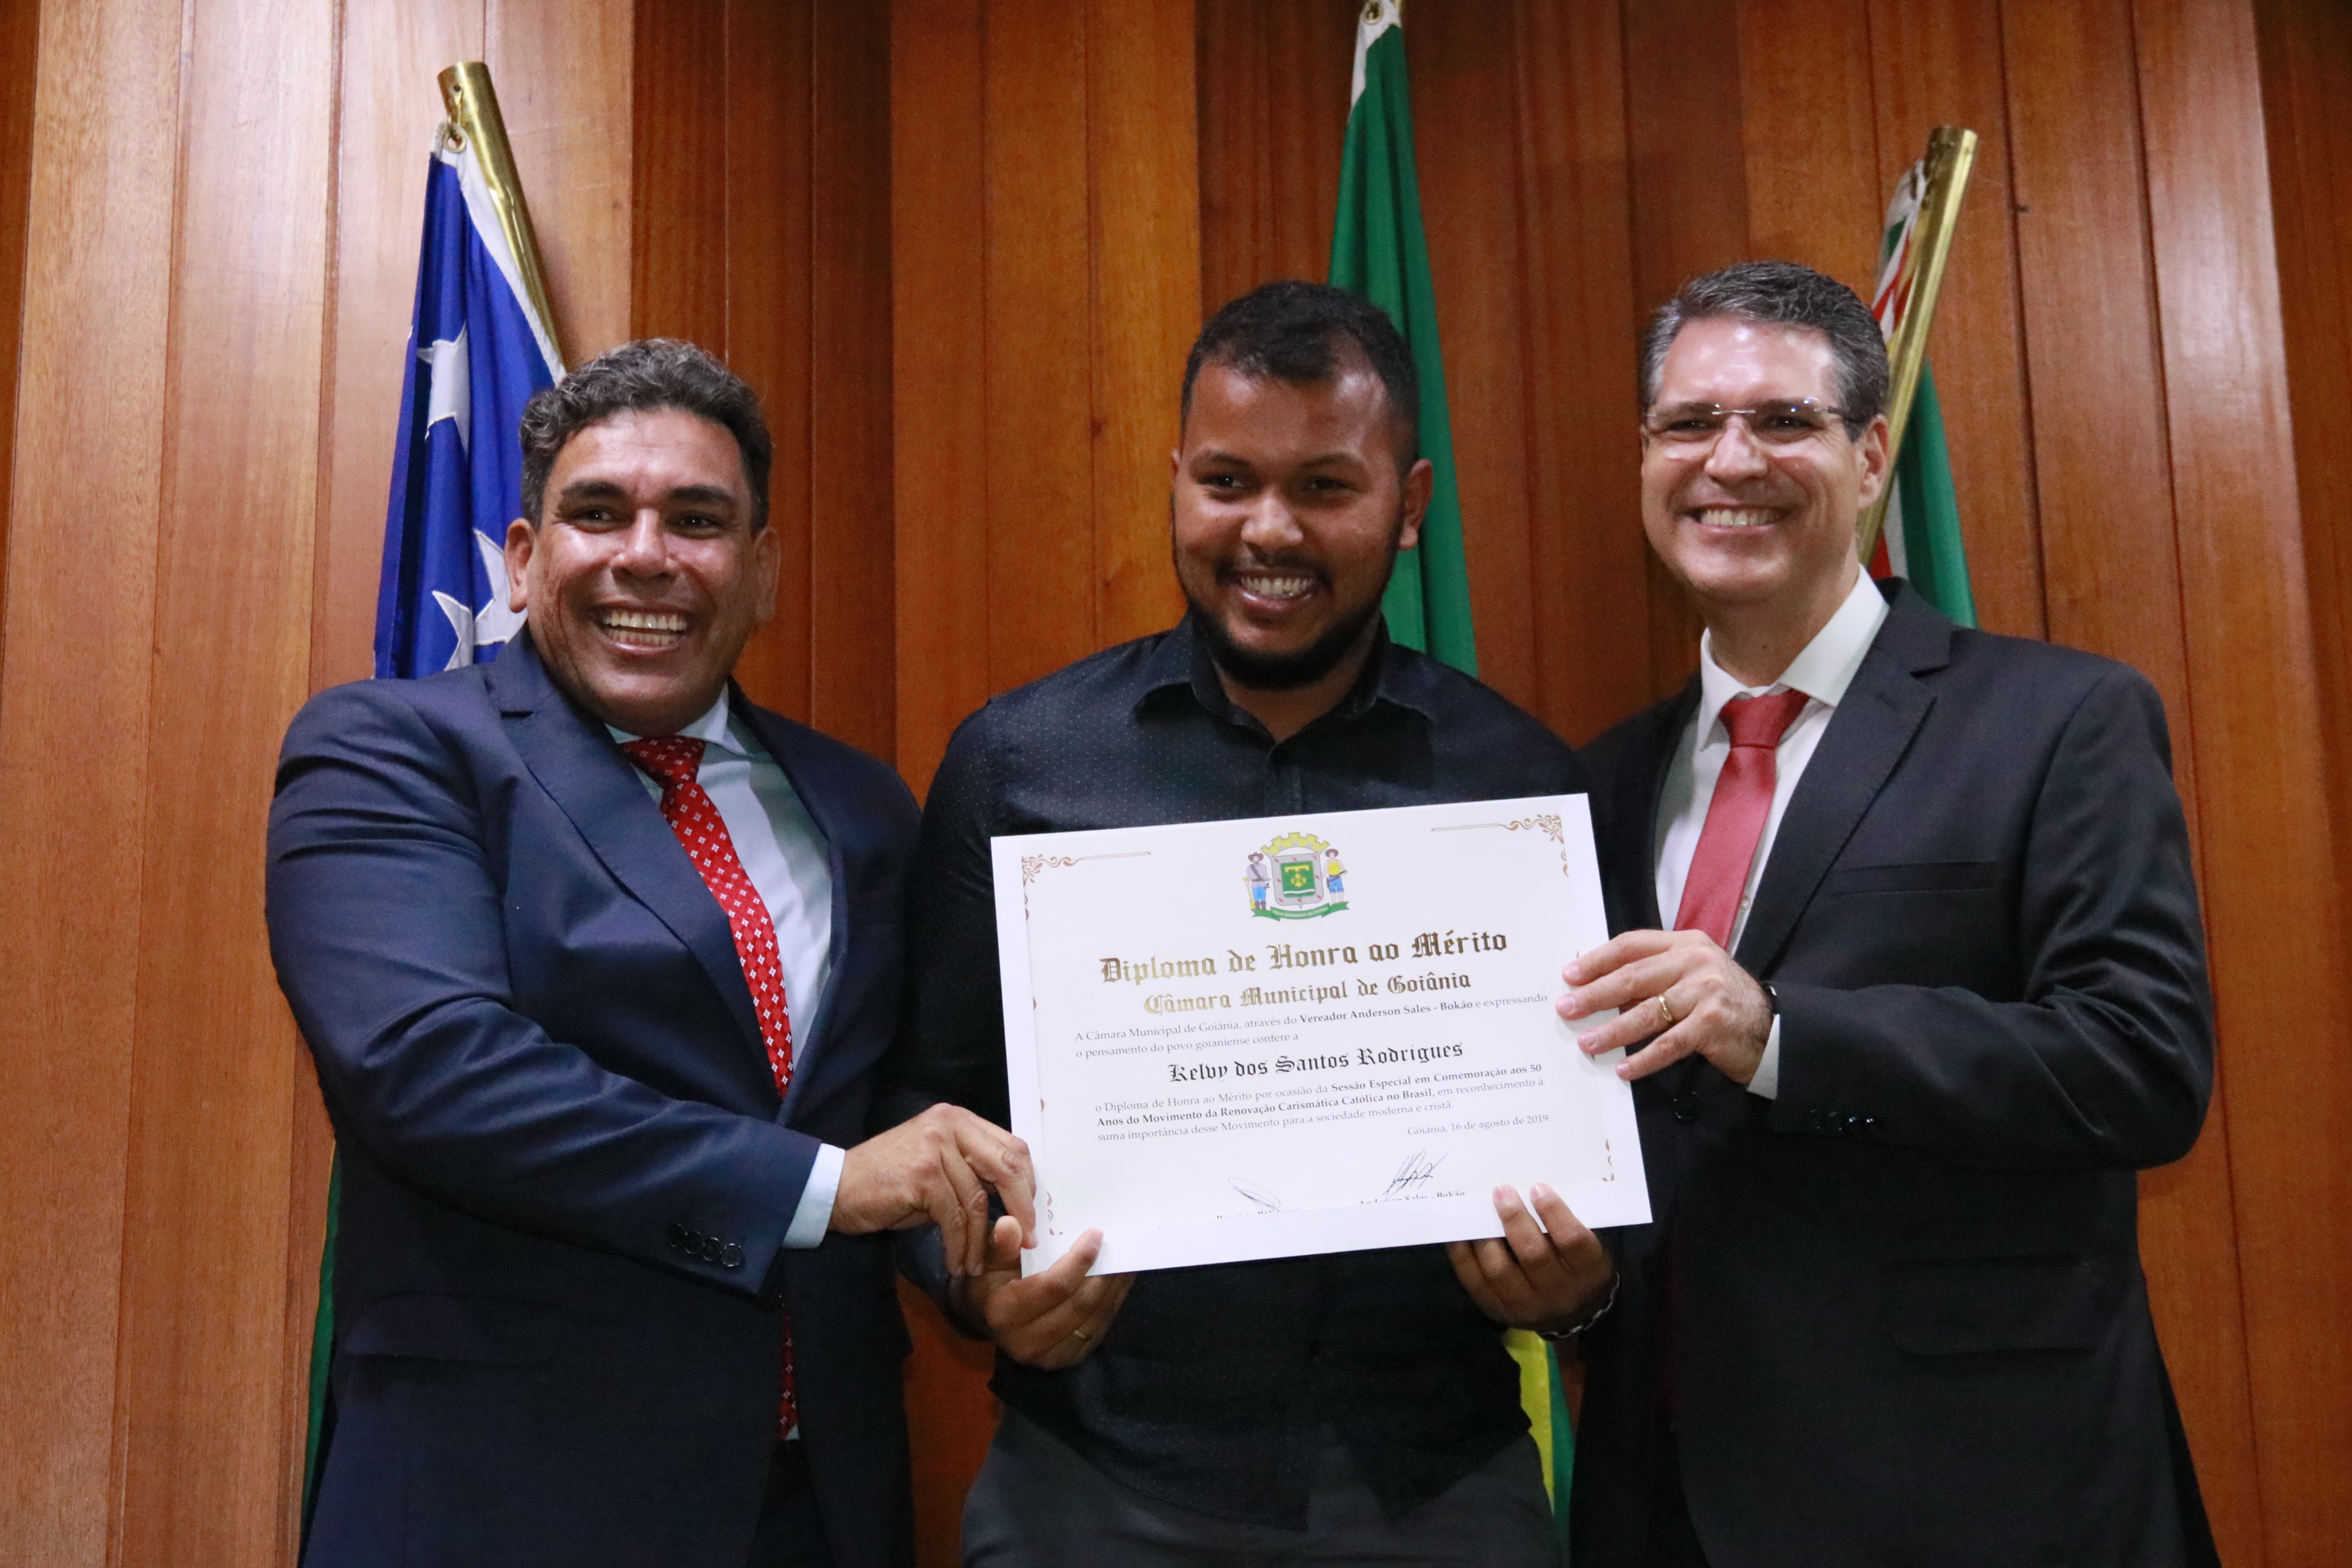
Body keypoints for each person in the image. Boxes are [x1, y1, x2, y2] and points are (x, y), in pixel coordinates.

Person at [268, 339, 1033, 1568]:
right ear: (523, 560)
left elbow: (889, 1110)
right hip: (504, 1500)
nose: (645, 554)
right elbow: (432, 1071)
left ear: (762, 569)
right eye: (597, 513)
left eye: (697, 519)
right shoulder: (391, 753)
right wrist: (822, 1188)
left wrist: (978, 1263)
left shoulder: (862, 806)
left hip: (817, 1511)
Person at [885, 279, 1612, 1566]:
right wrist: (977, 1287)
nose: (1269, 529)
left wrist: (1581, 1287)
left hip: (1435, 1482)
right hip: (1096, 1480)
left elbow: (1613, 1137)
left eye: (1325, 486)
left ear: (1411, 505)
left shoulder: (1522, 791)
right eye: (1227, 481)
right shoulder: (1019, 765)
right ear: (1177, 483)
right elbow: (924, 1107)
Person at [1560, 262, 2217, 1566]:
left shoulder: (2058, 722)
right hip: (1668, 1495)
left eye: (1781, 420)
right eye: (1689, 423)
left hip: (1979, 1493)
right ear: (1645, 457)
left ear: (1869, 458)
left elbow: (2143, 1066)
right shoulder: (1597, 783)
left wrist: (1784, 1034)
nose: (1728, 460)